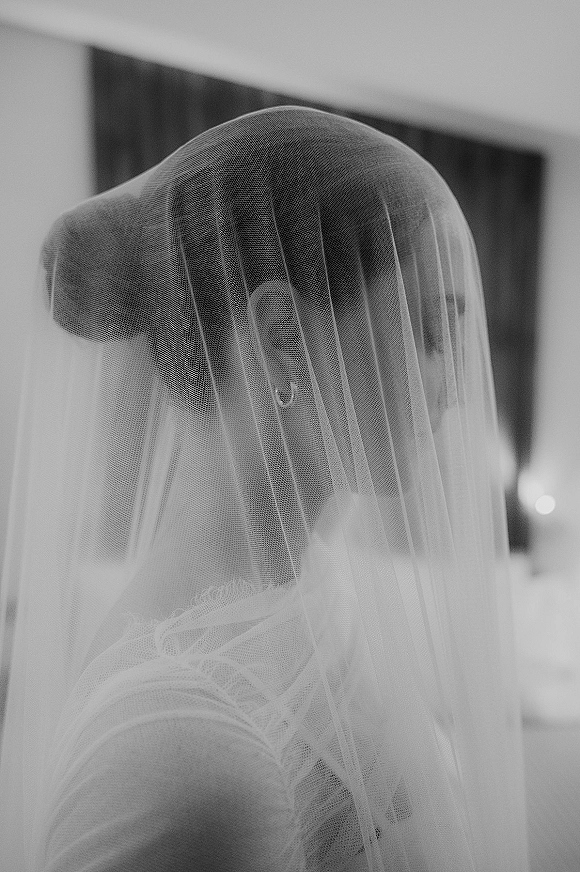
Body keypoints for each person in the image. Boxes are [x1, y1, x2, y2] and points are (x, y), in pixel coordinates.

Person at [0, 106, 529, 870]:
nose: (455, 389)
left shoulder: (313, 586)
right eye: (430, 331)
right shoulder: (197, 756)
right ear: (283, 334)